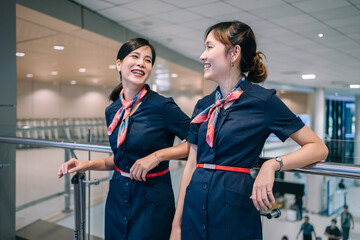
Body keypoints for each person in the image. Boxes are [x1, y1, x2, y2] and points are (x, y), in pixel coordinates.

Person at [170, 21, 328, 240]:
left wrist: (273, 164)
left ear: (234, 52)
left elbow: (318, 148)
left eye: (209, 47)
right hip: (194, 208)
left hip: (234, 209)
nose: (202, 56)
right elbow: (190, 165)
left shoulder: (262, 101)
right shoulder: (203, 105)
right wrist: (176, 225)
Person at [58, 38, 191, 240]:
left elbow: (198, 141)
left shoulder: (162, 107)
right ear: (119, 64)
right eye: (135, 56)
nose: (141, 63)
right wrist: (86, 164)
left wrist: (157, 156)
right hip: (118, 195)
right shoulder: (113, 111)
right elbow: (121, 159)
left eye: (147, 60)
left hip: (152, 198)